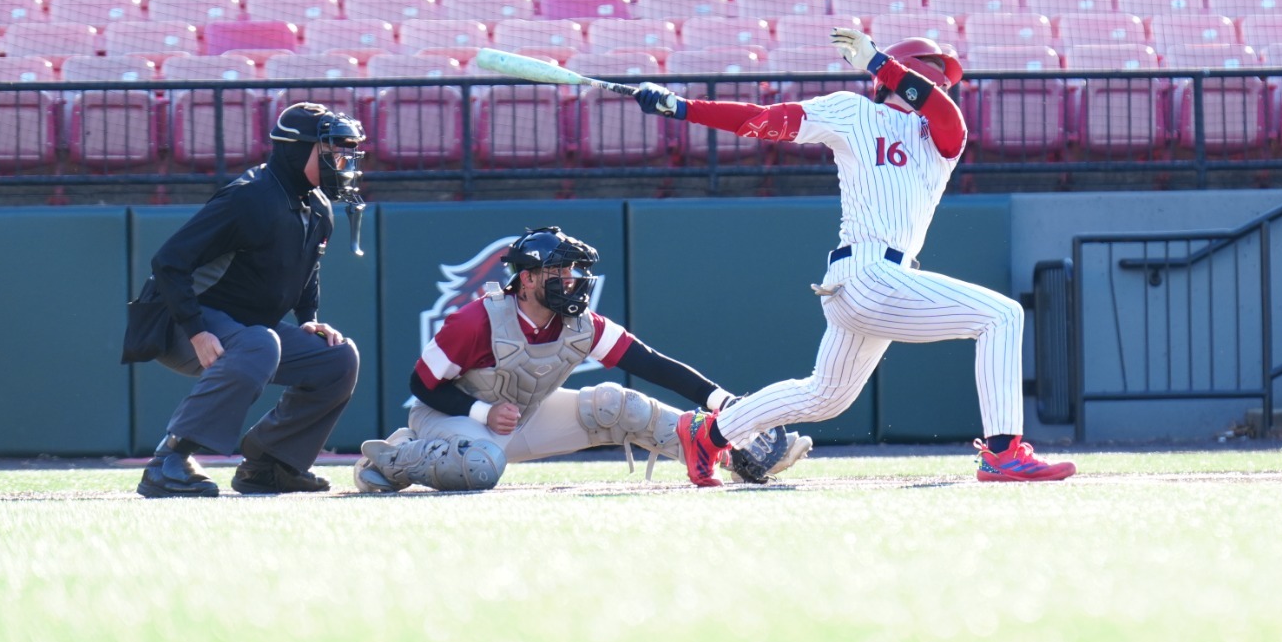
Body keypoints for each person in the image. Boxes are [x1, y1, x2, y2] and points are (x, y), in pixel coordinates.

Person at [634, 29, 1074, 485]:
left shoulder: (941, 135)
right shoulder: (852, 110)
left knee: (825, 396)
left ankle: (708, 434)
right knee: (1002, 316)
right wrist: (682, 107)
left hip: (877, 280)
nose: (942, 83)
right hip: (866, 273)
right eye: (935, 72)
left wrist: (880, 62)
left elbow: (947, 115)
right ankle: (1003, 452)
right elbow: (764, 119)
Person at [354, 226, 809, 492]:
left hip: (519, 418)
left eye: (572, 273)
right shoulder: (478, 321)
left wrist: (725, 405)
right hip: (451, 420)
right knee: (482, 467)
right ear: (527, 280)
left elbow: (652, 363)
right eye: (557, 272)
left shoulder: (582, 323)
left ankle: (731, 454)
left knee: (617, 404)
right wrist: (483, 411)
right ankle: (394, 458)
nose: (570, 282)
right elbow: (421, 386)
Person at [132, 102, 367, 499]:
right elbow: (168, 262)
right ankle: (168, 460)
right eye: (333, 151)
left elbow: (307, 270)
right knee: (260, 343)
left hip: (245, 331)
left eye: (348, 152)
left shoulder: (318, 206)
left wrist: (309, 318)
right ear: (297, 150)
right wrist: (196, 331)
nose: (343, 162)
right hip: (177, 322)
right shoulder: (250, 197)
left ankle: (269, 464)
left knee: (338, 357)